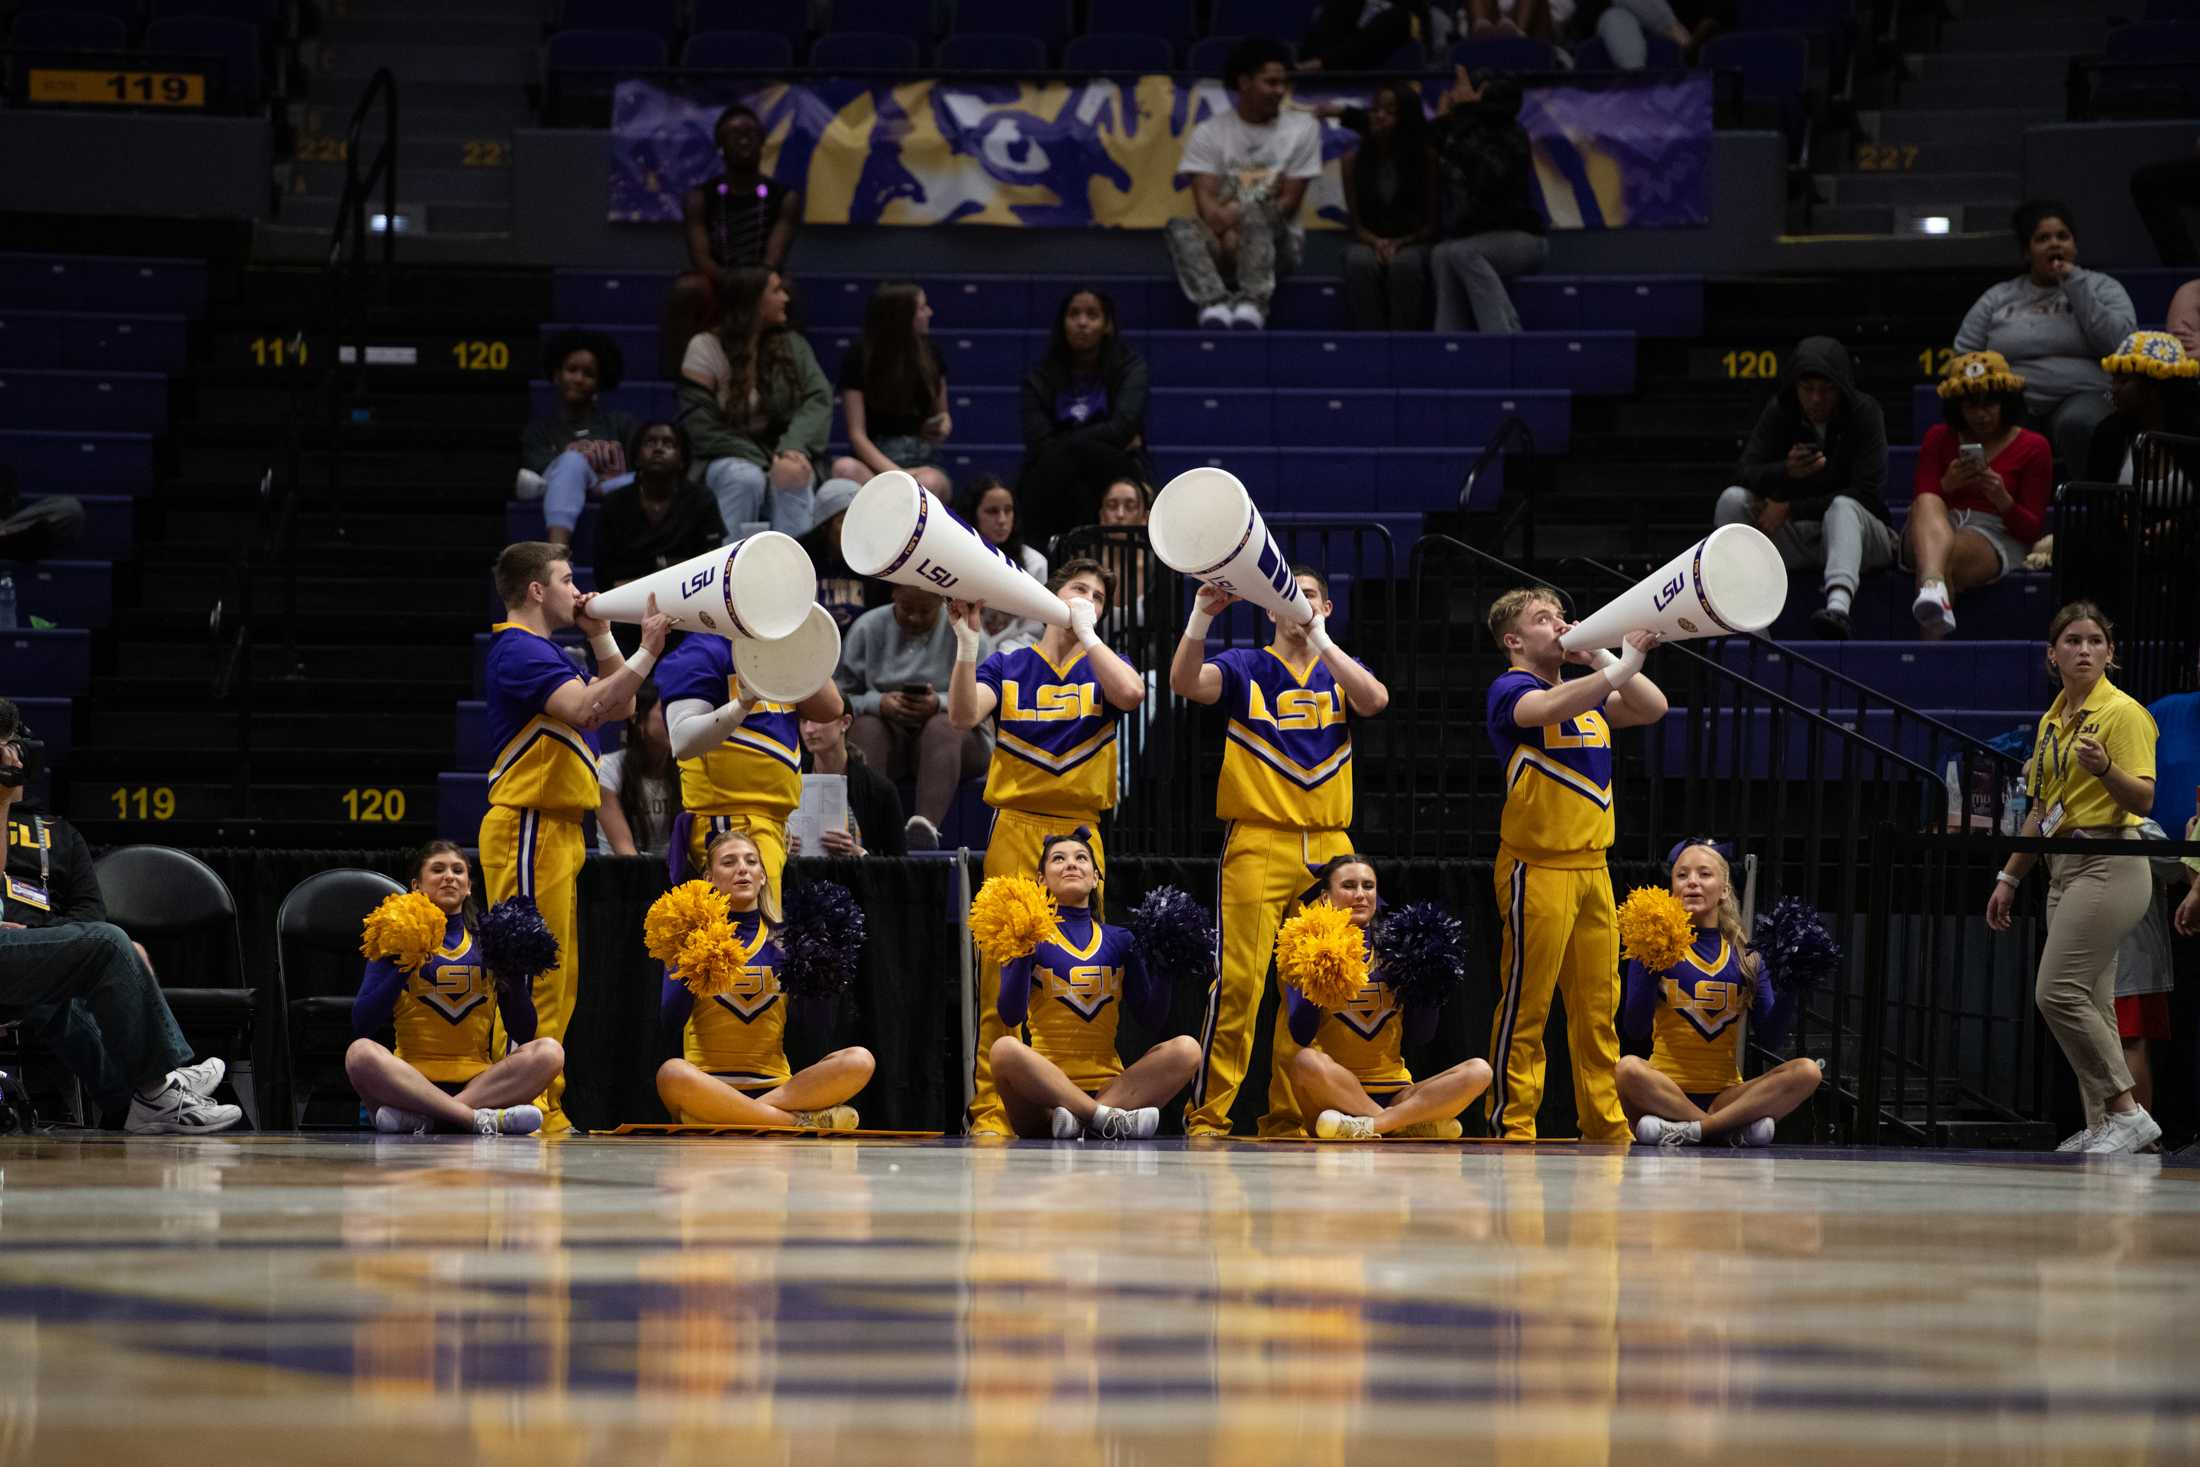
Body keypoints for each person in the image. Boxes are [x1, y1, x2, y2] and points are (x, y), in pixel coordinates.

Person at [1170, 568, 1391, 1137]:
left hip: (1330, 844)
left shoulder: (1339, 667)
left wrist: (1319, 637)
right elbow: (1185, 683)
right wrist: (1202, 618)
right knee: (1240, 983)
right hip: (1259, 838)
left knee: (1316, 983)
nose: (1299, 602)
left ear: (1329, 606)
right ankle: (1209, 1116)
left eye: (1310, 594)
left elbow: (1375, 700)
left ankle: (1288, 1116)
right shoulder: (1246, 666)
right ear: (1269, 609)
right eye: (1289, 596)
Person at [948, 559, 1147, 1137]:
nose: (1088, 599)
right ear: (1046, 597)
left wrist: (1088, 633)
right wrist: (966, 643)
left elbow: (1132, 694)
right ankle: (993, 1109)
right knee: (1000, 973)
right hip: (1015, 826)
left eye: (1099, 596)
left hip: (1081, 831)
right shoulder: (1008, 662)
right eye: (1077, 590)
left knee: (1087, 966)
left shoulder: (1104, 664)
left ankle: (1082, 1097)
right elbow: (962, 715)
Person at [479, 541, 668, 1132]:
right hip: (528, 822)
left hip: (554, 826)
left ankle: (542, 1100)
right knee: (530, 970)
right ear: (537, 590)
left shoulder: (546, 650)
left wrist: (605, 638)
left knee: (558, 974)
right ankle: (519, 1099)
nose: (576, 590)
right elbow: (589, 709)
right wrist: (650, 649)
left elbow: (621, 704)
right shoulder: (519, 649)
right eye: (565, 580)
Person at [0, 700, 242, 1133]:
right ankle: (159, 1089)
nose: (14, 756)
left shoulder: (56, 832)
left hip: (21, 950)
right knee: (110, 944)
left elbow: (85, 910)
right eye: (5, 744)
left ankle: (135, 1103)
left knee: (67, 984)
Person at [1482, 588, 1667, 1141]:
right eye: (1544, 619)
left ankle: (1605, 1125)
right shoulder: (1511, 686)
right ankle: (1513, 1124)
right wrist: (1616, 671)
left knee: (1596, 1010)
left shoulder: (1588, 693)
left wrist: (1610, 660)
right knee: (1528, 1005)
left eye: (1563, 616)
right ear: (1514, 640)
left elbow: (1652, 707)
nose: (1561, 625)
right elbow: (1543, 710)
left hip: (1594, 869)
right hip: (1536, 868)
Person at [1986, 601, 2162, 1154]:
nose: (2083, 650)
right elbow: (2042, 808)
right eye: (2072, 641)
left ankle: (2127, 1112)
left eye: (2094, 641)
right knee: (2093, 999)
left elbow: (2145, 796)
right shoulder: (2053, 719)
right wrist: (2009, 876)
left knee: (2056, 991)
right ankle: (2105, 1124)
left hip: (2111, 860)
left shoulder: (2124, 713)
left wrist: (2106, 769)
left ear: (2110, 654)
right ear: (2052, 655)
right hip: (2063, 866)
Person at [654, 828, 875, 1128]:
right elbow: (670, 1021)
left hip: (779, 1089)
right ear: (709, 878)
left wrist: (821, 976)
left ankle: (738, 1117)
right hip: (707, 1085)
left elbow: (814, 1029)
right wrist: (690, 960)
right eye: (729, 862)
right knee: (672, 1073)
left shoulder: (787, 941)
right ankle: (798, 1123)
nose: (742, 868)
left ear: (762, 876)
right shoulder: (688, 935)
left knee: (860, 1060)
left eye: (751, 861)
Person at [987, 831, 1201, 1140]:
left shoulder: (1121, 940)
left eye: (1081, 858)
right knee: (1004, 1049)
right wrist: (1022, 951)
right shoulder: (1025, 937)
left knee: (1187, 1049)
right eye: (1058, 859)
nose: (1070, 864)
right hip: (1044, 1099)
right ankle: (1102, 1119)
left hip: (1112, 1087)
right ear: (1041, 879)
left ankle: (1088, 1117)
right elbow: (1010, 1014)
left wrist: (1165, 967)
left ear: (1095, 877)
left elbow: (1151, 1020)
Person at [343, 840, 564, 1135]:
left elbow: (523, 1031)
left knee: (550, 1052)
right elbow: (363, 1022)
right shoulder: (393, 936)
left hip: (479, 1083)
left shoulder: (491, 940)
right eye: (438, 869)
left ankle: (432, 1119)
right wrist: (404, 962)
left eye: (458, 870)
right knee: (359, 1054)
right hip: (410, 1080)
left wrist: (510, 971)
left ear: (469, 886)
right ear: (416, 885)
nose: (450, 876)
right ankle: (475, 1119)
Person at [1615, 842, 1824, 1146]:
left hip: (1728, 1095)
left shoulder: (1747, 957)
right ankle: (1725, 1131)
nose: (1692, 882)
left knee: (1807, 1072)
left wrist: (1792, 984)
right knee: (1627, 1068)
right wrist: (1648, 962)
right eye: (1682, 875)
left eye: (1704, 874)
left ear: (1724, 890)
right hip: (1663, 1092)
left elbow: (1770, 1039)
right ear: (1672, 888)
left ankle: (1690, 1130)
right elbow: (1635, 1028)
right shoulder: (1654, 946)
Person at [1283, 855, 1494, 1140]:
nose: (1360, 895)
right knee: (1305, 1061)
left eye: (1368, 886)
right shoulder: (1302, 947)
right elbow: (1301, 1032)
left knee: (1479, 1071)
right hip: (1331, 1094)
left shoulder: (1400, 948)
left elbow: (1421, 1035)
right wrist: (1315, 972)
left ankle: (1374, 1126)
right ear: (1325, 897)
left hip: (1398, 1095)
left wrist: (1427, 984)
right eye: (1348, 885)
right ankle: (1404, 1125)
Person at [1713, 336, 1896, 639]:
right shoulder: (1781, 410)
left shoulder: (1865, 412)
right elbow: (1743, 473)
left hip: (1859, 541)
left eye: (1826, 390)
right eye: (1807, 389)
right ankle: (1750, 621)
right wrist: (1785, 472)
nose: (1815, 399)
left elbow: (1868, 494)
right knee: (1731, 501)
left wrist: (1790, 508)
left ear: (1842, 389)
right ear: (1794, 388)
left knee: (1844, 507)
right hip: (1797, 537)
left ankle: (1838, 608)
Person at [657, 614, 849, 895]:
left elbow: (831, 707)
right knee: (746, 935)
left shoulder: (774, 647)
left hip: (771, 822)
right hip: (731, 823)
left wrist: (790, 640)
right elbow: (682, 741)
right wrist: (741, 705)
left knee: (762, 933)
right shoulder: (702, 650)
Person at [1953, 201, 2135, 474]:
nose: (2054, 245)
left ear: (2075, 246)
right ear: (2027, 252)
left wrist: (2076, 286)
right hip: (2014, 398)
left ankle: (2092, 506)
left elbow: (2122, 345)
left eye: (2063, 236)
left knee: (2079, 422)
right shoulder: (1999, 296)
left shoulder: (2103, 287)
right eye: (2043, 238)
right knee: (2000, 421)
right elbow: (1965, 352)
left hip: (2085, 393)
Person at [1165, 36, 1324, 331]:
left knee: (1259, 214)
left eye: (1283, 83)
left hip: (1278, 247)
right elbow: (1207, 210)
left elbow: (1287, 205)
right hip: (1223, 243)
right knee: (1180, 227)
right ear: (1244, 82)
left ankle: (1253, 303)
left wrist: (1238, 217)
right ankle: (1213, 304)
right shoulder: (1209, 132)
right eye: (1271, 82)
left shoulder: (1304, 129)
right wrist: (1234, 228)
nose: (1280, 91)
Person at [678, 266, 840, 539]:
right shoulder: (704, 347)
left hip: (784, 451)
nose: (785, 298)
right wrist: (768, 462)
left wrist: (792, 447)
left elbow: (819, 399)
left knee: (793, 472)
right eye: (776, 291)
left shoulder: (792, 345)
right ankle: (726, 571)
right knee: (745, 477)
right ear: (752, 301)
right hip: (723, 456)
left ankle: (794, 573)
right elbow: (701, 427)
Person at [1906, 351, 2052, 640]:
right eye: (1971, 406)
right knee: (1928, 503)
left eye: (1990, 405)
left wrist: (2002, 499)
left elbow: (2031, 529)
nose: (1981, 415)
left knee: (1944, 554)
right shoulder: (1938, 437)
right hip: (1932, 524)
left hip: (1994, 533)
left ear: (2007, 402)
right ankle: (1934, 588)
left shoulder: (2035, 446)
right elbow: (1923, 501)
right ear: (1957, 408)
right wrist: (1947, 484)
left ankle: (1929, 645)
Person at [838, 584, 992, 851]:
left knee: (943, 725)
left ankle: (924, 827)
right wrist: (879, 702)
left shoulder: (966, 630)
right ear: (893, 594)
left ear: (942, 602)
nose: (915, 618)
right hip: (888, 733)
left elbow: (986, 698)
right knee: (866, 728)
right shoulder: (867, 627)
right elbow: (840, 698)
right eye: (907, 609)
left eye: (925, 611)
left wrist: (941, 703)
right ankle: (867, 830)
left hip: (957, 738)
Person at [662, 103, 802, 374]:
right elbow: (700, 256)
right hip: (717, 278)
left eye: (751, 133)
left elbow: (775, 256)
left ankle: (787, 377)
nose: (744, 139)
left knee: (789, 289)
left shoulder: (785, 198)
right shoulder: (700, 197)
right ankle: (681, 378)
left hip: (762, 279)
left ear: (762, 141)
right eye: (735, 134)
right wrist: (728, 280)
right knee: (686, 289)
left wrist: (754, 283)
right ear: (720, 144)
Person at [1018, 287, 1151, 551]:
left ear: (1107, 324)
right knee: (1056, 475)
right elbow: (1038, 439)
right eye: (1074, 314)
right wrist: (1086, 442)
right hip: (1053, 472)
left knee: (1081, 469)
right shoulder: (1040, 375)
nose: (1082, 322)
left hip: (1112, 466)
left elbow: (1122, 427)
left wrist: (1069, 442)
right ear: (1063, 323)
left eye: (1092, 314)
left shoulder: (1130, 367)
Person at [1428, 68, 1545, 335]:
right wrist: (1446, 118)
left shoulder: (1511, 133)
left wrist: (1468, 111)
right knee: (1441, 254)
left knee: (1461, 252)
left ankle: (1505, 337)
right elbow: (1431, 145)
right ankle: (1450, 343)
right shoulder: (1464, 128)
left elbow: (1490, 179)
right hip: (1476, 238)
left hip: (1521, 238)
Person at [828, 281, 953, 498]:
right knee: (844, 469)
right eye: (922, 308)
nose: (929, 312)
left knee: (927, 483)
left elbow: (943, 416)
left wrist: (940, 426)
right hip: (875, 461)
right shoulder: (860, 356)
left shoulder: (931, 352)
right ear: (902, 316)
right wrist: (897, 474)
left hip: (921, 461)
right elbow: (857, 434)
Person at [521, 332, 637, 549]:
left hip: (616, 505)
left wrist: (604, 487)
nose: (579, 378)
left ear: (598, 382)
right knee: (572, 463)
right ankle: (557, 555)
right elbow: (539, 480)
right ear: (557, 375)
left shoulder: (620, 424)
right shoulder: (540, 430)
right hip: (563, 506)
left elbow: (641, 474)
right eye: (572, 370)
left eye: (588, 373)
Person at [1340, 80, 1434, 332]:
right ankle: (1372, 341)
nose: (1379, 116)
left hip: (1416, 240)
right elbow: (1356, 225)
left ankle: (1401, 342)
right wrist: (1376, 242)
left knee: (1405, 265)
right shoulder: (1351, 161)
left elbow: (1432, 223)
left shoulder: (1426, 159)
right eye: (1375, 110)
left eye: (1390, 112)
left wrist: (1402, 242)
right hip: (1370, 240)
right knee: (1358, 262)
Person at [593, 422, 728, 593]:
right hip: (626, 599)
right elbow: (604, 572)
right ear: (636, 457)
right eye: (649, 442)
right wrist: (668, 565)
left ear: (682, 459)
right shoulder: (614, 503)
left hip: (687, 597)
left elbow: (711, 565)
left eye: (668, 443)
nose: (658, 449)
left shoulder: (701, 499)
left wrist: (653, 568)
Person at [2083, 330, 2200, 489]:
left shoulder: (2194, 433)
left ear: (2153, 387)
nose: (2114, 389)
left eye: (2123, 381)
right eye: (2113, 380)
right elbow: (2096, 504)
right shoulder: (2108, 434)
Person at [792, 708, 905, 857]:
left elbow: (901, 867)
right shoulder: (789, 778)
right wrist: (781, 845)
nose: (809, 729)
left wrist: (859, 854)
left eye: (819, 719)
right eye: (803, 721)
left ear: (845, 722)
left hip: (856, 879)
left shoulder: (881, 790)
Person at [960, 475, 1048, 651]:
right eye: (992, 511)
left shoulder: (1034, 563)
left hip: (1012, 661)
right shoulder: (954, 558)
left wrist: (999, 661)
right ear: (973, 514)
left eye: (1008, 510)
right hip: (963, 657)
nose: (1002, 520)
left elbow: (1033, 632)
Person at [596, 682, 678, 857]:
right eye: (665, 711)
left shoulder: (686, 769)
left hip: (672, 876)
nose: (675, 719)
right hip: (623, 875)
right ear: (637, 719)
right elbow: (624, 849)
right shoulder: (608, 769)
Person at [798, 479, 885, 632]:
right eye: (844, 521)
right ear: (824, 526)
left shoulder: (880, 562)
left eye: (860, 519)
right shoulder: (798, 557)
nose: (855, 528)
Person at [1299, 0, 1425, 71]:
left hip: (1372, 73)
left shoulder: (1402, 15)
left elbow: (1365, 45)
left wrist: (1321, 62)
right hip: (1324, 70)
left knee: (1396, 18)